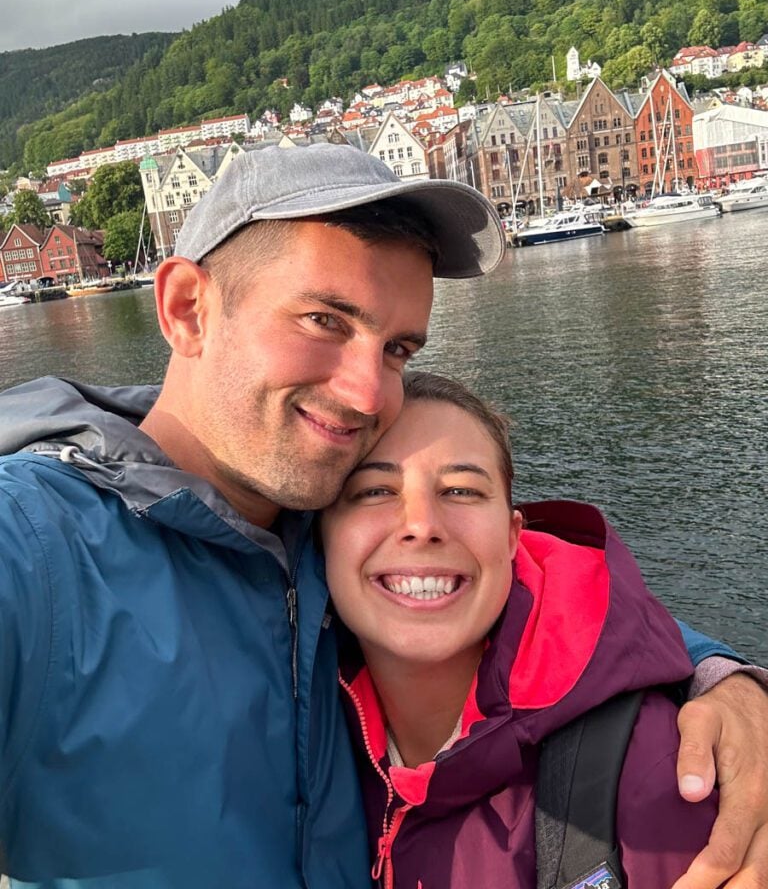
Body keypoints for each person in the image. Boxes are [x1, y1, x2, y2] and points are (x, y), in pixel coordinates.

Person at [0, 144, 764, 889]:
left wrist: (716, 677)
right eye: (325, 321)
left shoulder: (313, 513)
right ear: (187, 310)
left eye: (397, 348)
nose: (369, 394)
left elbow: (547, 603)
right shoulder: (38, 552)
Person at [322, 370, 719, 887]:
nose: (422, 524)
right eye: (375, 490)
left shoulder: (654, 770)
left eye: (462, 490)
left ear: (514, 537)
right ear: (321, 536)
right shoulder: (294, 729)